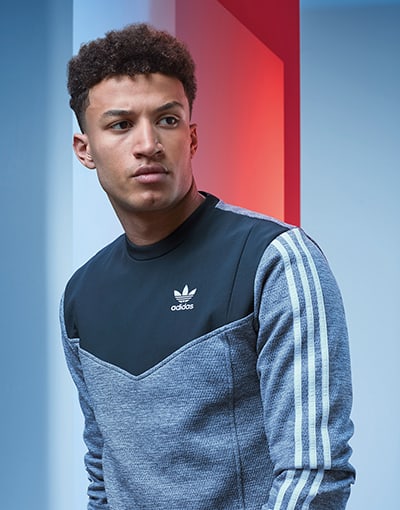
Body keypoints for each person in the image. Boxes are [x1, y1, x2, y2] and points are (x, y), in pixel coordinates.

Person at [61, 23, 355, 510]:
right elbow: (103, 478)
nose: (148, 143)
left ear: (192, 137)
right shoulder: (80, 296)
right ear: (84, 149)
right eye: (120, 125)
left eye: (167, 120)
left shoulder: (275, 259)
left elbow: (315, 474)